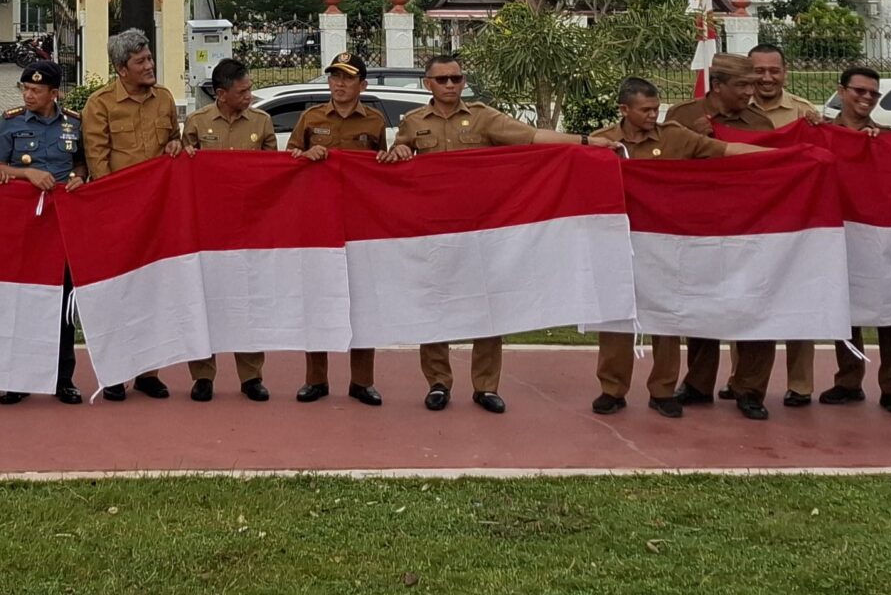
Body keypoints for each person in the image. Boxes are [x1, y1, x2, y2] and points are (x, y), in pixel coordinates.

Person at [380, 53, 570, 413]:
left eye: (456, 78)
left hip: (480, 231)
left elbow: (531, 138)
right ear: (428, 84)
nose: (451, 85)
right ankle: (438, 383)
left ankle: (486, 386)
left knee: (487, 307)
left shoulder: (483, 117)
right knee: (433, 306)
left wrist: (585, 144)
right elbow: (396, 165)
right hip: (433, 232)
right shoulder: (413, 122)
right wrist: (401, 149)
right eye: (442, 80)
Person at [589, 78, 767, 416]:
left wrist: (780, 156)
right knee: (615, 317)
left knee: (666, 316)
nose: (653, 115)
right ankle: (612, 388)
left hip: (663, 244)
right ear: (624, 110)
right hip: (616, 243)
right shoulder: (603, 141)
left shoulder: (673, 136)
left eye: (656, 108)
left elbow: (724, 151)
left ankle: (663, 389)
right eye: (645, 110)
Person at [662, 51, 778, 409]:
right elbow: (664, 170)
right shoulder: (680, 118)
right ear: (717, 85)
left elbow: (773, 172)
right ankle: (698, 384)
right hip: (699, 226)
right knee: (701, 306)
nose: (749, 92)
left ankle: (750, 389)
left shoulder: (760, 124)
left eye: (752, 85)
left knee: (755, 306)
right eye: (742, 85)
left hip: (749, 226)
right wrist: (694, 145)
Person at [78, 28, 184, 400]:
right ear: (122, 68)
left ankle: (148, 372)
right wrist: (115, 209)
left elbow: (176, 140)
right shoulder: (100, 104)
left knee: (154, 291)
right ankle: (115, 372)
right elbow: (98, 160)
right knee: (118, 294)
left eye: (150, 58)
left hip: (157, 214)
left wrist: (176, 144)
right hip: (119, 215)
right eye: (141, 61)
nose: (149, 66)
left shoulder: (165, 99)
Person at [287, 53, 390, 405]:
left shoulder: (375, 121)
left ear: (362, 84)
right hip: (318, 224)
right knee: (317, 299)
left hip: (359, 225)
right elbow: (287, 160)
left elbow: (383, 171)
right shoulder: (311, 118)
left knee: (362, 302)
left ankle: (362, 382)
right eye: (334, 77)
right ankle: (316, 380)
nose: (339, 84)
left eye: (347, 78)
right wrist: (305, 155)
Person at [178, 56, 276, 400]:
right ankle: (203, 376)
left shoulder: (262, 122)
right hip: (207, 228)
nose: (249, 95)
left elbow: (272, 174)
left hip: (248, 226)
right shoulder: (196, 122)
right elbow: (181, 170)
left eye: (249, 89)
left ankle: (251, 376)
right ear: (221, 94)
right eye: (243, 91)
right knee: (203, 299)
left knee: (247, 299)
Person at [0, 59, 84, 405]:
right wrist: (25, 174)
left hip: (60, 226)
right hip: (24, 224)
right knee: (23, 301)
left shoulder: (73, 123)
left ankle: (63, 379)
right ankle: (19, 377)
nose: (28, 95)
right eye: (25, 89)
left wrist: (79, 177)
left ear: (53, 93)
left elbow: (81, 164)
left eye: (35, 90)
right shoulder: (11, 121)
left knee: (61, 304)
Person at [744, 44, 833, 408]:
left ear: (785, 72)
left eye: (774, 70)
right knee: (749, 304)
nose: (767, 78)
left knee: (800, 301)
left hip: (798, 225)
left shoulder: (805, 114)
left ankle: (800, 385)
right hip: (752, 224)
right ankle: (743, 380)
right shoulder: (733, 113)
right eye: (759, 71)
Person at [817, 63, 891, 409]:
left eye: (873, 93)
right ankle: (848, 380)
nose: (866, 98)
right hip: (840, 233)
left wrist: (882, 148)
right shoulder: (822, 134)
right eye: (859, 91)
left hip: (880, 237)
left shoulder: (885, 137)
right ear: (842, 92)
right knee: (845, 308)